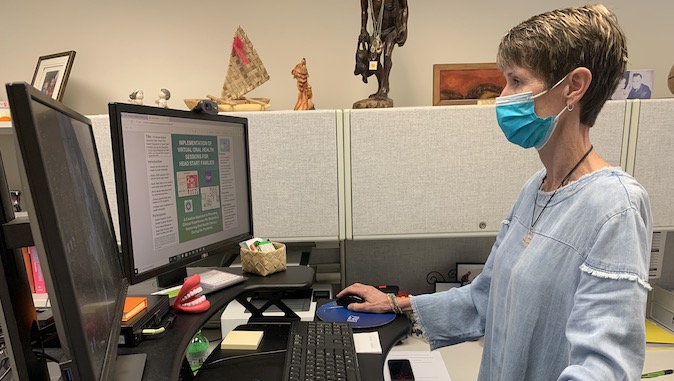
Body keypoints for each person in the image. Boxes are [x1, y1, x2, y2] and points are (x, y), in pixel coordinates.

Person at [338, 4, 653, 380]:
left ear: (573, 87)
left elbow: (604, 368)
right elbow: (485, 298)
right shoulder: (534, 190)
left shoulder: (615, 207)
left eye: (517, 82)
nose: (502, 96)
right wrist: (393, 303)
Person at [355, 0, 408, 101]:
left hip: (392, 29)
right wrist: (363, 29)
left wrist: (404, 26)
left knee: (387, 55)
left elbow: (404, 7)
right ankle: (381, 86)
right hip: (377, 31)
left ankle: (385, 88)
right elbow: (364, 11)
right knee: (372, 60)